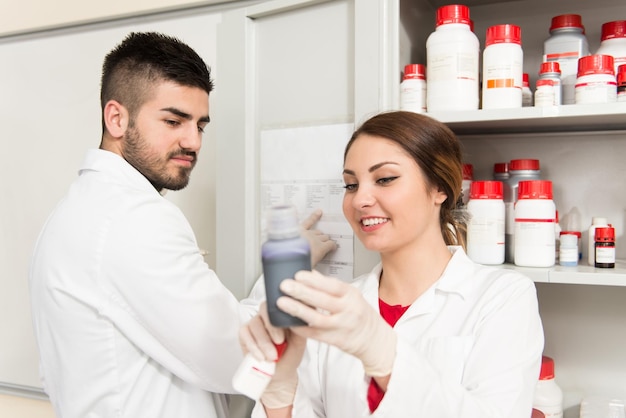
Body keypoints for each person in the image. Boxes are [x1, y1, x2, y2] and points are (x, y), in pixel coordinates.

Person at [29, 31, 336, 418]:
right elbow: (237, 357)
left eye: (200, 125)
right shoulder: (135, 218)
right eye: (174, 121)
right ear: (117, 117)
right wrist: (289, 267)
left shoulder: (72, 212)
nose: (193, 141)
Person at [239, 110, 545, 417]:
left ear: (439, 187)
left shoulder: (502, 297)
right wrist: (280, 393)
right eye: (351, 185)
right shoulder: (336, 308)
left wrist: (383, 353)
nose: (360, 200)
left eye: (385, 179)